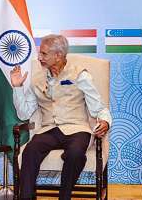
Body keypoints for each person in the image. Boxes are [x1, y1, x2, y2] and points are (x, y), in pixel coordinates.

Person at [10, 34, 112, 200]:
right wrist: (18, 87)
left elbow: (98, 107)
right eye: (39, 53)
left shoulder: (80, 74)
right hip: (49, 129)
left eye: (44, 54)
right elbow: (24, 113)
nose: (39, 57)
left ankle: (64, 197)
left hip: (77, 129)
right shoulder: (36, 79)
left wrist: (105, 121)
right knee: (30, 151)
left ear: (58, 55)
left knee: (75, 154)